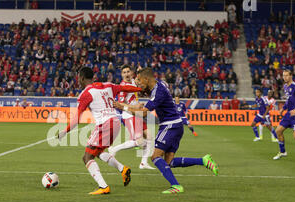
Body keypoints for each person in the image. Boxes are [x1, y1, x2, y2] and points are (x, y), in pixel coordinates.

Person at [113, 67, 219, 195]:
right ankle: (203, 161)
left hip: (170, 126)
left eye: (140, 80)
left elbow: (144, 113)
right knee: (169, 162)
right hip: (176, 125)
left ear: (146, 79)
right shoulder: (159, 84)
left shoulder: (158, 92)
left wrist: (123, 107)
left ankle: (176, 186)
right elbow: (144, 94)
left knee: (155, 157)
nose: (139, 83)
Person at [57, 67, 142, 195]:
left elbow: (76, 119)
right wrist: (140, 89)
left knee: (87, 157)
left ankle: (103, 187)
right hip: (116, 122)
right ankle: (122, 169)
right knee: (97, 152)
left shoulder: (85, 94)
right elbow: (126, 88)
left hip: (105, 124)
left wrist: (64, 131)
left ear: (81, 78)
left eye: (78, 78)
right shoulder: (108, 85)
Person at [107, 65, 155, 170]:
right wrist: (134, 106)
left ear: (131, 72)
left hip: (137, 113)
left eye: (128, 71)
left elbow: (140, 82)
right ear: (121, 75)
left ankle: (143, 163)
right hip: (129, 115)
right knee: (139, 142)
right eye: (124, 72)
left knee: (149, 136)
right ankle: (114, 149)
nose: (127, 74)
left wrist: (140, 71)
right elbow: (120, 103)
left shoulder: (133, 81)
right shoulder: (123, 87)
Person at [273, 70, 295, 162]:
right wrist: (283, 108)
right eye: (283, 75)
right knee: (278, 131)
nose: (284, 77)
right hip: (289, 114)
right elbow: (288, 100)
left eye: (286, 75)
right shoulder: (285, 86)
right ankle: (282, 152)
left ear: (291, 76)